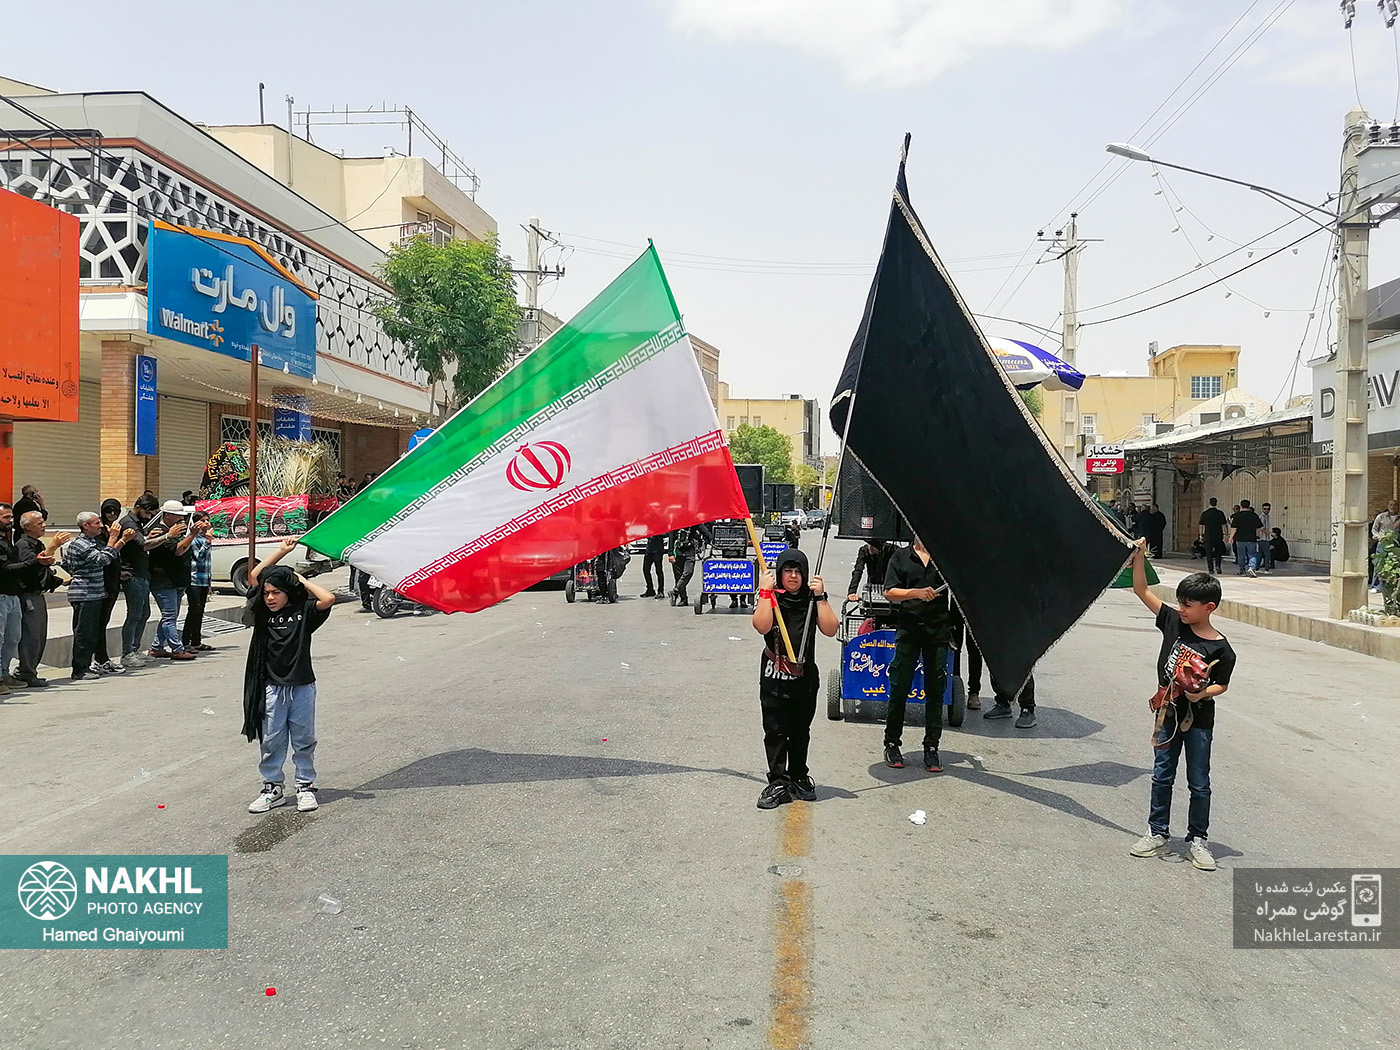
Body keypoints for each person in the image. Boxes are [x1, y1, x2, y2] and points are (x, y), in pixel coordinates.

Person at [1128, 539, 1236, 871]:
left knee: (1199, 782)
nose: (1182, 609)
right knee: (1162, 775)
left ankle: (1197, 840)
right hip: (1167, 715)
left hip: (1199, 721)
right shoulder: (1173, 622)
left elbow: (1222, 684)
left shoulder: (1222, 649)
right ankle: (1157, 833)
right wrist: (1139, 557)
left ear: (1209, 607)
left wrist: (1201, 693)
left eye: (1188, 605)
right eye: (1180, 603)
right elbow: (1141, 590)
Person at [243, 537, 336, 815]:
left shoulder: (304, 612)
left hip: (302, 686)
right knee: (271, 739)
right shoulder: (262, 613)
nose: (270, 598)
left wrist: (300, 579)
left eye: (276, 592)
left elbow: (328, 598)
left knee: (304, 739)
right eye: (267, 593)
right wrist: (282, 551)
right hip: (272, 687)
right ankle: (272, 788)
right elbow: (255, 576)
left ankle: (305, 786)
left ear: (289, 592)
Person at [751, 548, 838, 809]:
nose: (792, 576)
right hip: (774, 678)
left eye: (798, 571)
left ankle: (799, 775)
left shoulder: (811, 600)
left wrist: (821, 597)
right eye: (787, 571)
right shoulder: (772, 597)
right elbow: (761, 625)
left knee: (800, 732)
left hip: (804, 679)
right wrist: (764, 592)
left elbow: (831, 629)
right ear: (779, 573)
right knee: (775, 731)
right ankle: (778, 780)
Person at [882, 537, 957, 773]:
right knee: (899, 687)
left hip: (938, 631)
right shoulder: (901, 557)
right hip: (909, 630)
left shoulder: (945, 558)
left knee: (935, 690)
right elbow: (889, 592)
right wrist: (916, 593)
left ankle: (932, 747)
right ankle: (892, 743)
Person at [62, 513, 137, 681]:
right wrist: (114, 538)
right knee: (84, 633)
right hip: (85, 594)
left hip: (95, 593)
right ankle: (80, 669)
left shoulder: (92, 542)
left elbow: (69, 563)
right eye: (96, 523)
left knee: (92, 632)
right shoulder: (81, 544)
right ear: (85, 526)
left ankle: (91, 664)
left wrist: (121, 541)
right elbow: (102, 559)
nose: (101, 526)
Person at [13, 511, 67, 689]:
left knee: (40, 635)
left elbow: (43, 569)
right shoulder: (23, 545)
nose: (44, 525)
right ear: (28, 527)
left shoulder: (37, 544)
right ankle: (26, 672)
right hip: (28, 596)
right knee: (32, 635)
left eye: (43, 522)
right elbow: (33, 566)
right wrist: (54, 546)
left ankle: (30, 671)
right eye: (39, 523)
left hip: (38, 594)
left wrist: (58, 581)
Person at [146, 500, 197, 660]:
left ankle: (156, 647)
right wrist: (192, 535)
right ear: (167, 515)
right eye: (177, 516)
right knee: (169, 616)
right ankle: (177, 648)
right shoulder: (160, 532)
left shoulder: (176, 531)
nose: (181, 519)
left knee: (170, 616)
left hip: (177, 579)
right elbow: (178, 550)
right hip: (164, 581)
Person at [117, 494, 160, 668]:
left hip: (142, 572)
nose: (149, 516)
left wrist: (150, 536)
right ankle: (127, 652)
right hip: (133, 574)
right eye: (147, 513)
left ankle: (135, 648)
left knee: (144, 613)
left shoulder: (138, 524)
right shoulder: (129, 523)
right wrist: (166, 537)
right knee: (134, 614)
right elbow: (142, 544)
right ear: (138, 507)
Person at [91, 499, 126, 674]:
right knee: (98, 623)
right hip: (100, 581)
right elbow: (104, 555)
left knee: (104, 621)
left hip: (113, 580)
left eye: (114, 512)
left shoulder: (115, 529)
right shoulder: (101, 532)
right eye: (108, 511)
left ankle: (102, 658)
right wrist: (120, 539)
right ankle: (99, 659)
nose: (111, 515)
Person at [183, 511, 214, 652]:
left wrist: (209, 583)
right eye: (203, 520)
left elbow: (207, 563)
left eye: (208, 520)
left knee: (200, 611)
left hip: (203, 580)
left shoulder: (205, 538)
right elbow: (199, 557)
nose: (207, 523)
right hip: (194, 580)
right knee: (193, 610)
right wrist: (207, 542)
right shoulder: (194, 539)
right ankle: (185, 641)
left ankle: (196, 641)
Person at [0, 504, 24, 688]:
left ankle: (4, 673)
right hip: (1, 596)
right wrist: (34, 562)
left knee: (13, 637)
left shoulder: (7, 541)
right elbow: (5, 568)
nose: (10, 521)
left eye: (11, 517)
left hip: (13, 596)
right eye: (6, 517)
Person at [668, 524, 709, 607]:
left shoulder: (693, 521)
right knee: (678, 577)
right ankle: (683, 599)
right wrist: (670, 553)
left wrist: (712, 540)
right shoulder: (675, 521)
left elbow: (705, 531)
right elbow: (671, 538)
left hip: (690, 552)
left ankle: (675, 591)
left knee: (688, 572)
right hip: (678, 552)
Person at [1228, 499, 1265, 578]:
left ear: (1241, 506)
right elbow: (1259, 527)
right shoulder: (1253, 515)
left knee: (1241, 554)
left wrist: (1231, 537)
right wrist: (1259, 535)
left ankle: (1242, 569)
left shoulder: (1237, 516)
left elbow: (1234, 528)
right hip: (1251, 538)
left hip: (1240, 539)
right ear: (1249, 505)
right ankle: (1251, 568)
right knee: (1252, 554)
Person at [1371, 498, 1399, 591]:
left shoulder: (1399, 518)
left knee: (1394, 564)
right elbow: (1374, 529)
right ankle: (1376, 586)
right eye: (1391, 505)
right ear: (1387, 506)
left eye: (1394, 505)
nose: (1392, 507)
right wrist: (1379, 537)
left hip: (1395, 544)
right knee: (1379, 563)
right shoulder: (1381, 517)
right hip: (1382, 544)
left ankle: (1392, 587)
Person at [1198, 498, 1228, 575]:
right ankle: (1218, 566)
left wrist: (1201, 535)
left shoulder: (1205, 513)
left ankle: (1210, 569)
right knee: (1218, 551)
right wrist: (1226, 534)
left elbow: (1201, 525)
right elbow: (1224, 525)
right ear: (1216, 503)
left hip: (1208, 535)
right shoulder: (1220, 513)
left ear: (1209, 503)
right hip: (1218, 535)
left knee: (1209, 552)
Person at [641, 532, 668, 598]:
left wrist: (657, 534)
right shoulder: (649, 526)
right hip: (649, 550)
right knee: (645, 570)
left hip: (658, 550)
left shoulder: (660, 526)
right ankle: (650, 589)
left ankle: (660, 591)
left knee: (658, 571)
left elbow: (667, 533)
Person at [1257, 502, 1273, 573]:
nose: (1266, 510)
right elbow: (1261, 528)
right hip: (1263, 538)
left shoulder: (1267, 517)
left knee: (1260, 554)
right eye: (1265, 509)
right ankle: (1266, 569)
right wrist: (1270, 533)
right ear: (1262, 509)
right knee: (1267, 554)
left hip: (1262, 538)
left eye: (1268, 509)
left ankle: (1257, 568)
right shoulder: (1262, 517)